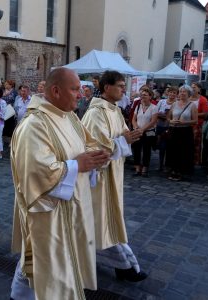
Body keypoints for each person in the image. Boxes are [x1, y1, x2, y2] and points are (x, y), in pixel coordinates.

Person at [10, 67, 110, 299]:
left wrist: (96, 157)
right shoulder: (34, 125)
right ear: (55, 91)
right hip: (50, 214)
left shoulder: (71, 117)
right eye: (75, 89)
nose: (81, 94)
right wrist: (76, 166)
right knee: (48, 267)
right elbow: (35, 173)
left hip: (74, 208)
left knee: (43, 265)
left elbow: (87, 145)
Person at [81, 70, 147, 283]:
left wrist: (129, 138)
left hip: (113, 173)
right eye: (119, 85)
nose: (123, 89)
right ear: (106, 87)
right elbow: (95, 146)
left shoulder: (115, 110)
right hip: (99, 177)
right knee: (102, 220)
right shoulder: (95, 113)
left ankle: (120, 264)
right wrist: (123, 140)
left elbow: (122, 136)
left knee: (109, 219)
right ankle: (122, 265)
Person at [166, 85, 198, 181]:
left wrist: (184, 122)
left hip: (185, 131)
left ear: (189, 94)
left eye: (184, 92)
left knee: (183, 152)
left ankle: (181, 171)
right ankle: (173, 169)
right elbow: (168, 117)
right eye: (181, 91)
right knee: (173, 150)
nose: (182, 93)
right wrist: (171, 121)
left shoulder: (192, 105)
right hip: (174, 130)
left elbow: (195, 120)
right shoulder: (174, 104)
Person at [131, 88, 158, 177]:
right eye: (142, 95)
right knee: (136, 149)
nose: (143, 97)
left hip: (148, 132)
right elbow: (134, 119)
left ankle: (145, 168)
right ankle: (137, 168)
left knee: (147, 150)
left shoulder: (154, 108)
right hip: (137, 131)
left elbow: (153, 121)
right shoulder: (138, 106)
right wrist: (136, 127)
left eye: (145, 95)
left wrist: (142, 129)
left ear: (150, 97)